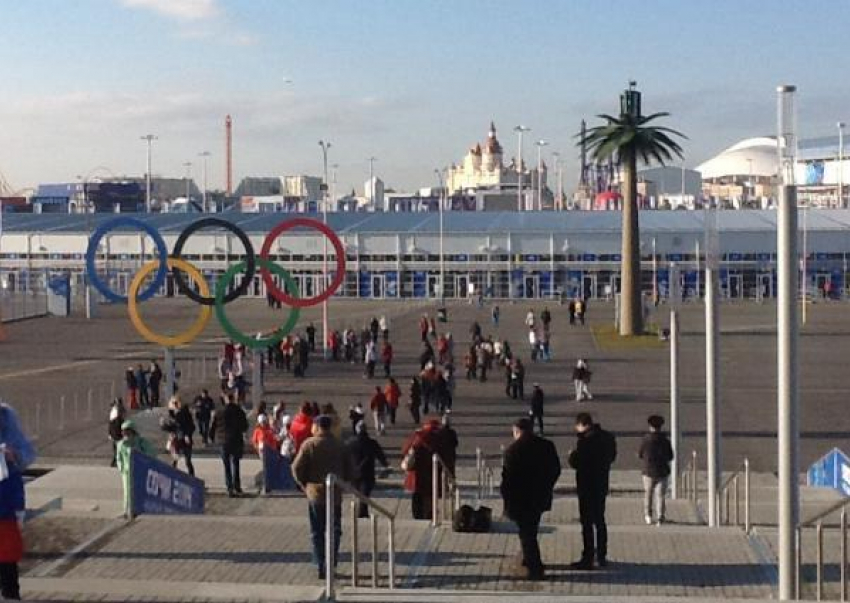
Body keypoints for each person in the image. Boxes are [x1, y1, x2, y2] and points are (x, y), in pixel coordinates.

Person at [292, 415, 355, 580]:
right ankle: (331, 564)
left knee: (317, 531)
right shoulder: (341, 445)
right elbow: (351, 470)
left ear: (317, 427)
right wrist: (344, 483)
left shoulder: (309, 444)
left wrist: (304, 484)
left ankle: (320, 564)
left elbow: (296, 467)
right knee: (334, 530)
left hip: (315, 493)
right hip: (334, 494)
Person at [501, 417, 561, 581]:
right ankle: (529, 559)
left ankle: (535, 567)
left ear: (517, 431)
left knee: (527, 534)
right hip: (540, 496)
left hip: (520, 499)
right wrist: (547, 486)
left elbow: (508, 480)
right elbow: (556, 469)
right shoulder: (547, 446)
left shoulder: (512, 451)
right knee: (532, 528)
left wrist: (507, 499)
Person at [568, 412, 617, 570]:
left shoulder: (585, 441)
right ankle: (602, 555)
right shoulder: (608, 438)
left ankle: (588, 556)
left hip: (586, 485)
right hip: (601, 483)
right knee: (600, 521)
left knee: (587, 523)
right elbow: (612, 457)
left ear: (581, 424)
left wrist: (572, 456)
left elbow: (578, 462)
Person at [0, 402, 36, 600]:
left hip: (5, 508)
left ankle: (10, 594)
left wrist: (14, 456)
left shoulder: (8, 421)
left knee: (7, 559)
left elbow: (27, 454)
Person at [400, 418, 445, 520]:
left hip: (415, 473)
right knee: (429, 496)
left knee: (416, 495)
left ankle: (417, 516)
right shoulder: (438, 438)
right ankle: (429, 515)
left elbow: (404, 450)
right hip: (431, 472)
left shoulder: (416, 436)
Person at [638, 415, 674, 526]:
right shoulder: (665, 441)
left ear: (650, 426)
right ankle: (660, 517)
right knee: (661, 495)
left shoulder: (646, 439)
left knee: (648, 493)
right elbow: (670, 456)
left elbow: (640, 454)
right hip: (662, 471)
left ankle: (648, 515)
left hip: (648, 471)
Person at [210, 393, 248, 497]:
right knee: (235, 463)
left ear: (225, 400)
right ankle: (237, 486)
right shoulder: (239, 411)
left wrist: (211, 436)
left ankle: (229, 487)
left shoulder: (219, 412)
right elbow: (245, 426)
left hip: (223, 441)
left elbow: (213, 425)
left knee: (226, 465)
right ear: (234, 399)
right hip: (236, 439)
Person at [116, 419, 156, 517]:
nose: (124, 433)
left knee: (139, 491)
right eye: (123, 431)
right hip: (127, 472)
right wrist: (121, 469)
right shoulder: (121, 444)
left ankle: (138, 509)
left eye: (127, 431)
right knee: (127, 491)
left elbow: (151, 454)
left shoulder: (141, 442)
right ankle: (126, 510)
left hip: (139, 471)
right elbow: (119, 458)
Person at [348, 421, 388, 517]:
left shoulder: (350, 443)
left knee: (359, 493)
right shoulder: (372, 443)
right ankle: (362, 513)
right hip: (368, 473)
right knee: (365, 494)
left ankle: (361, 512)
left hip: (354, 472)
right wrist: (385, 464)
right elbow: (380, 455)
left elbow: (344, 457)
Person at [107, 398, 125, 467]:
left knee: (116, 448)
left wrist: (110, 433)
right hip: (117, 433)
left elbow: (111, 423)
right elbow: (115, 424)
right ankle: (115, 462)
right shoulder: (117, 410)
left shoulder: (114, 410)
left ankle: (115, 462)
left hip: (115, 432)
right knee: (118, 449)